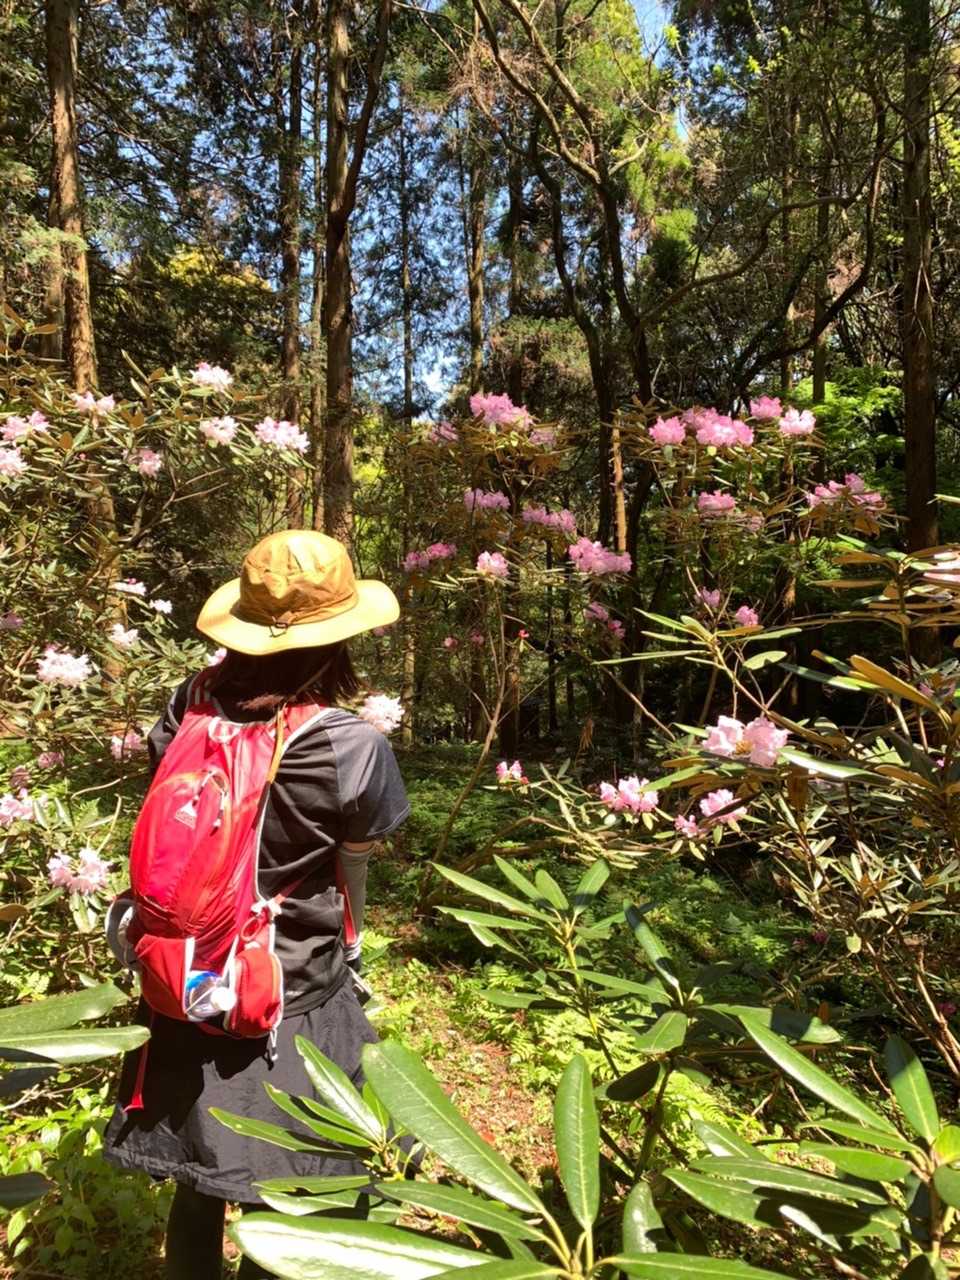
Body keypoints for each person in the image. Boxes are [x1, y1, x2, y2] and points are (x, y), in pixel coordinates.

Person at [103, 530, 409, 1279]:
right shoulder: (347, 744)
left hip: (182, 974)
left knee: (198, 1182)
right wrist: (354, 940)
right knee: (291, 1188)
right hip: (289, 989)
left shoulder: (187, 706)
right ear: (338, 638)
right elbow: (355, 861)